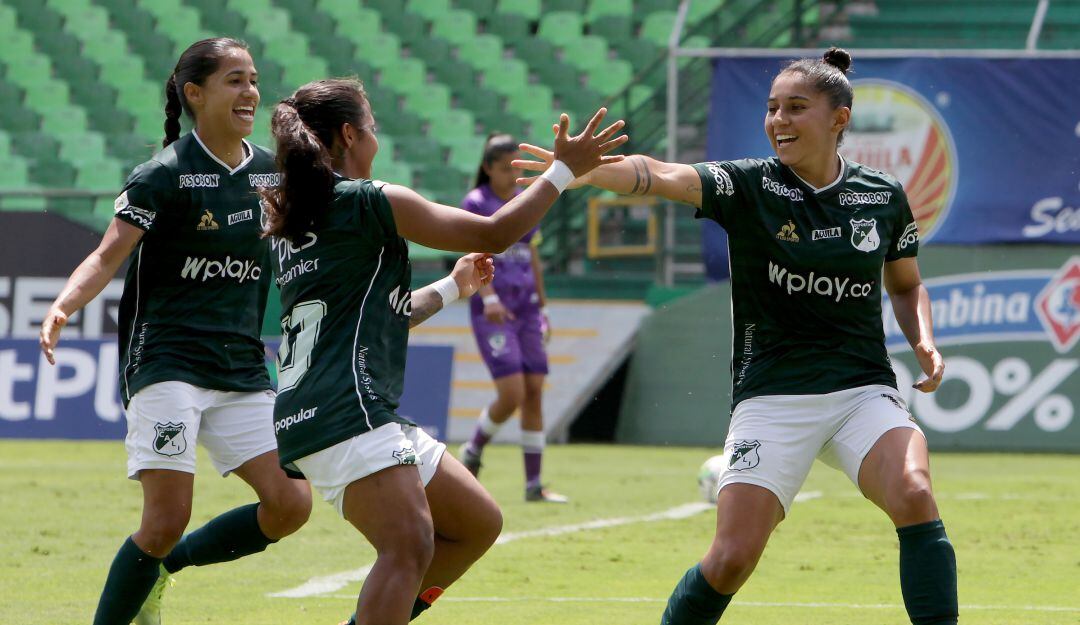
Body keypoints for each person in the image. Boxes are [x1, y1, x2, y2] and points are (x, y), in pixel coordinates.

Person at [515, 48, 956, 625]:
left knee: (915, 495)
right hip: (772, 397)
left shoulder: (882, 196)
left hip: (861, 393)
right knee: (730, 559)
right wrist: (583, 169)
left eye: (796, 108)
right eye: (773, 108)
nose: (779, 120)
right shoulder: (748, 185)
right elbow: (661, 176)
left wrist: (922, 337)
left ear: (839, 119)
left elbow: (905, 285)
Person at [259, 78, 626, 625]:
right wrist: (564, 170)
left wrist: (453, 288)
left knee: (477, 522)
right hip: (348, 409)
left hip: (328, 407)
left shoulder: (296, 218)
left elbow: (387, 313)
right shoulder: (368, 200)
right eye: (374, 129)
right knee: (408, 547)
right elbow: (497, 231)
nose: (376, 141)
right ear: (349, 134)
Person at [38, 38, 312, 625]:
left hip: (240, 365)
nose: (251, 92)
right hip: (166, 362)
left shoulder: (271, 172)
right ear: (196, 93)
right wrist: (65, 303)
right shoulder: (163, 175)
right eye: (235, 80)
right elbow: (107, 256)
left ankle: (160, 572)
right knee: (164, 521)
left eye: (254, 79)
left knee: (290, 503)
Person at [456, 133, 566, 503]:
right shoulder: (476, 202)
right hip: (494, 312)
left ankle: (534, 485)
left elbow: (532, 257)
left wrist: (544, 307)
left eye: (515, 168)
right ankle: (472, 449)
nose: (509, 175)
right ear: (487, 168)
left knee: (534, 392)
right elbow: (470, 254)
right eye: (504, 169)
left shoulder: (522, 202)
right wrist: (487, 297)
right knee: (513, 393)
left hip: (527, 309)